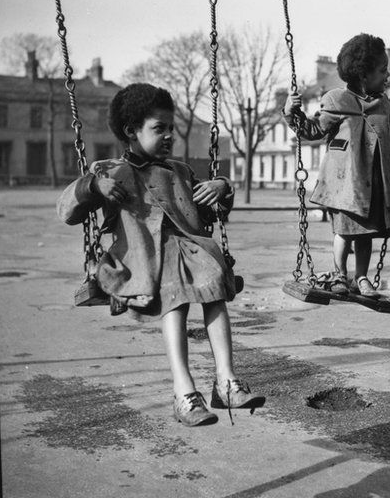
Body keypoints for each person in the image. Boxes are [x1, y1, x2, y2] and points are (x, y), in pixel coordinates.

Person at [57, 83, 264, 427]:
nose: (169, 135)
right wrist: (94, 186)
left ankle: (226, 381)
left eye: (170, 127)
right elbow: (67, 211)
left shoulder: (179, 171)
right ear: (131, 131)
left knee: (214, 287)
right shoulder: (110, 171)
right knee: (176, 296)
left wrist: (222, 187)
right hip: (142, 261)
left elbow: (212, 213)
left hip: (191, 253)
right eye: (159, 128)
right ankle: (184, 392)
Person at [283, 33, 390, 297]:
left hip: (374, 182)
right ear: (364, 75)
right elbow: (313, 129)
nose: (387, 76)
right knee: (344, 231)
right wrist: (292, 112)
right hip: (345, 183)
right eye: (382, 71)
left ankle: (361, 278)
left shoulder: (382, 102)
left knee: (365, 233)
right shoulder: (337, 100)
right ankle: (340, 274)